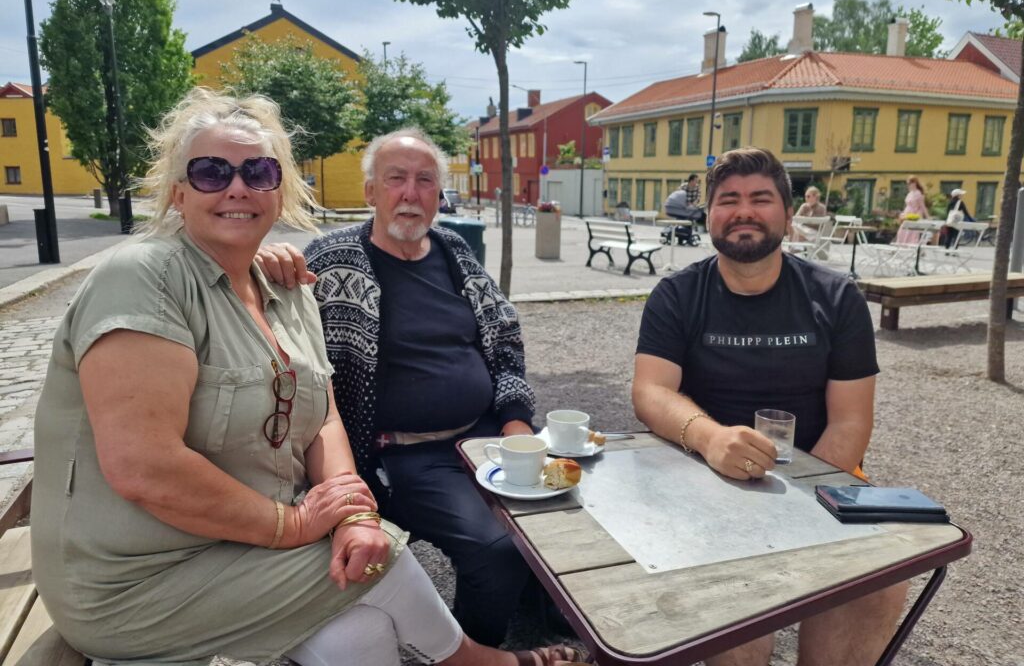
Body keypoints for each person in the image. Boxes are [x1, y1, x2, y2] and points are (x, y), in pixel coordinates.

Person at [30, 89, 583, 666]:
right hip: (144, 572)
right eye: (211, 171)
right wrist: (298, 523)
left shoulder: (290, 289)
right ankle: (487, 663)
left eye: (259, 171)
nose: (238, 187)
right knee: (389, 560)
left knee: (361, 634)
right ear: (178, 190)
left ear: (279, 189)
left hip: (247, 542)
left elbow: (326, 411)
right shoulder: (148, 275)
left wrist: (352, 512)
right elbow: (143, 465)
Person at [256, 128, 539, 648]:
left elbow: (505, 338)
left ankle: (540, 605)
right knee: (494, 547)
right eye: (396, 180)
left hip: (484, 435)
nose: (410, 193)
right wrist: (265, 264)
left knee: (556, 516)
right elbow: (269, 323)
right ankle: (475, 653)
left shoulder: (454, 252)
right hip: (403, 453)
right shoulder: (334, 258)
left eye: (425, 181)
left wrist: (517, 418)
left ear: (438, 194)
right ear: (371, 193)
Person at [631, 147, 908, 666]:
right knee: (735, 592)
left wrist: (803, 503)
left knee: (878, 583)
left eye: (761, 198)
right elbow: (650, 392)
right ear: (708, 214)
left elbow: (852, 419)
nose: (744, 211)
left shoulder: (836, 295)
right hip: (703, 478)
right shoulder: (676, 294)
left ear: (787, 212)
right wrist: (713, 439)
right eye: (728, 200)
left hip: (823, 475)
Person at [895, 175, 929, 245]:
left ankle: (909, 244)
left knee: (911, 232)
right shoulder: (910, 193)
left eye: (910, 183)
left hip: (914, 214)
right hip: (907, 213)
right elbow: (907, 205)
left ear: (914, 183)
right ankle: (901, 244)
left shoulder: (918, 194)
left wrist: (927, 216)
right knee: (902, 231)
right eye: (908, 184)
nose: (908, 185)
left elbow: (922, 206)